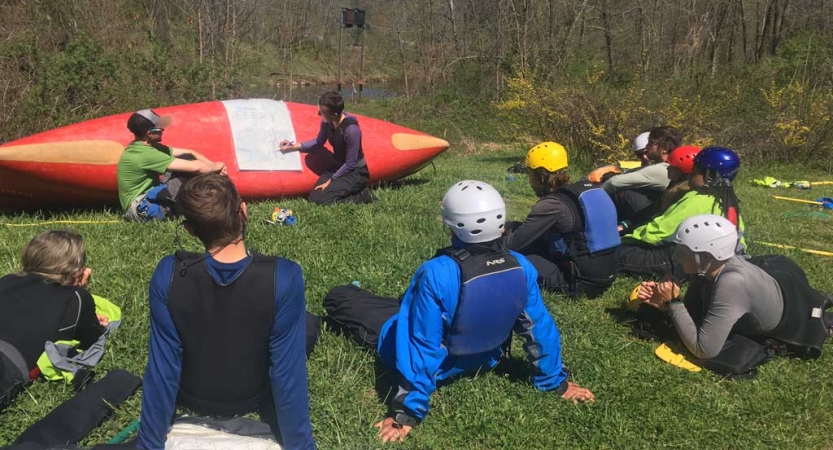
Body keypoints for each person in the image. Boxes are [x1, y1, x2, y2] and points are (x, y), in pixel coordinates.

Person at [323, 180, 594, 444]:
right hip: (487, 358)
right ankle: (367, 295)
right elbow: (539, 329)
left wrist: (405, 414)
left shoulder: (437, 271)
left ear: (451, 225)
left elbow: (421, 344)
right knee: (401, 304)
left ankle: (348, 292)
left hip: (441, 365)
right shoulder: (521, 266)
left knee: (340, 298)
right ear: (500, 224)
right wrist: (556, 383)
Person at [136, 174, 318, 450]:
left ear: (189, 230)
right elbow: (287, 375)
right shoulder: (284, 276)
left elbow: (162, 370)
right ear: (243, 211)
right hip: (252, 396)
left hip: (191, 394)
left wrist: (149, 444)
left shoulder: (168, 274)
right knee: (308, 325)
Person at [636, 214, 829, 373]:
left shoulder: (731, 284)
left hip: (788, 309)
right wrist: (662, 304)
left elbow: (704, 349)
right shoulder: (710, 267)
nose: (677, 258)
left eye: (683, 253)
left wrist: (673, 303)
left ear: (705, 256)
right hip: (774, 276)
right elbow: (696, 314)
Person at [0, 231, 106, 410]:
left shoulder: (7, 280)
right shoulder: (75, 299)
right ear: (74, 269)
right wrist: (79, 291)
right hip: (8, 365)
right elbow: (91, 338)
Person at [504, 142, 620, 298]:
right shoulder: (590, 189)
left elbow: (513, 245)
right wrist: (510, 225)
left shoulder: (551, 205)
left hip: (580, 282)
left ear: (541, 176)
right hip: (609, 271)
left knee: (511, 258)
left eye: (531, 176)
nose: (530, 182)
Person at [615, 146, 746, 279]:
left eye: (695, 171)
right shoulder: (728, 200)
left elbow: (658, 232)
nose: (691, 175)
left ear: (709, 175)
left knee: (614, 255)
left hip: (683, 260)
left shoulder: (699, 200)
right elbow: (740, 242)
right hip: (714, 261)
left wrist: (622, 240)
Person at [117, 109, 228, 222]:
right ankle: (214, 204)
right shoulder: (145, 154)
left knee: (186, 159)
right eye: (160, 129)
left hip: (147, 199)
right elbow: (197, 168)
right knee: (186, 173)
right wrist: (216, 168)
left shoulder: (147, 147)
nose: (163, 130)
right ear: (149, 134)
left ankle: (200, 205)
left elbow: (190, 153)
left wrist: (214, 167)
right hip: (141, 209)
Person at [279, 91, 376, 205]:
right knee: (314, 197)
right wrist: (293, 146)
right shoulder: (327, 123)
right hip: (337, 166)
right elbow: (318, 142)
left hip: (355, 172)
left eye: (323, 112)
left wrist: (332, 180)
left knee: (325, 200)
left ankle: (363, 196)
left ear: (335, 114)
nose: (319, 113)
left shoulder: (351, 130)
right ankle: (343, 189)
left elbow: (351, 163)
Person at [602, 126, 682, 230]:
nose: (647, 146)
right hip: (662, 216)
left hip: (659, 221)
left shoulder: (661, 169)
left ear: (665, 149)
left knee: (621, 191)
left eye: (651, 143)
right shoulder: (672, 168)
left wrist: (595, 193)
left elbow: (613, 182)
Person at [659, 145, 701, 211]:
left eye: (672, 167)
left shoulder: (682, 193)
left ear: (684, 170)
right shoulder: (674, 185)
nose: (668, 168)